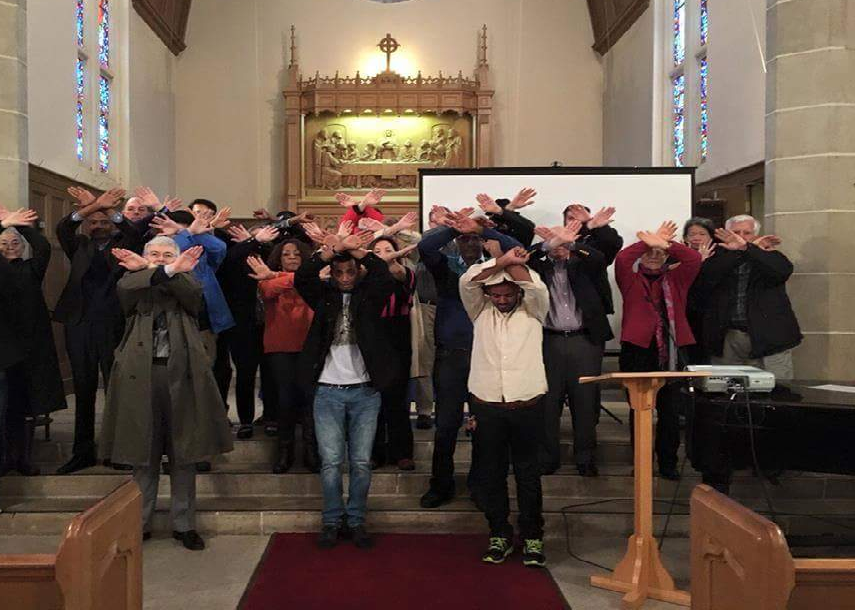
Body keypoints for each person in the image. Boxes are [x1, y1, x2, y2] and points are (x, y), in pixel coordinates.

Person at [100, 239, 233, 551]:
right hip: (141, 375)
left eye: (168, 255)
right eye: (154, 255)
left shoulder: (188, 279)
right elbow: (126, 294)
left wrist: (169, 270)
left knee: (183, 453)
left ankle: (184, 524)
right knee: (142, 454)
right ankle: (139, 523)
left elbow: (191, 297)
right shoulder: (130, 279)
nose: (160, 260)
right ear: (145, 256)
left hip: (180, 374)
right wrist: (154, 269)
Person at [294, 229, 397, 549]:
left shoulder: (370, 295)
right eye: (338, 273)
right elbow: (303, 276)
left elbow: (385, 276)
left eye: (349, 272)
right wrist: (334, 250)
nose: (344, 278)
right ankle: (331, 519)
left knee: (362, 461)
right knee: (331, 461)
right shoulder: (323, 296)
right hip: (327, 390)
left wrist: (359, 253)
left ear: (358, 272)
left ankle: (356, 520)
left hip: (365, 390)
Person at [417, 208, 522, 509]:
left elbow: (517, 249)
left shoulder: (497, 270)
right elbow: (425, 247)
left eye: (473, 239)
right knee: (447, 425)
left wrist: (481, 228)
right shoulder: (446, 267)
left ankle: (481, 485)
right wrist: (455, 228)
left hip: (487, 358)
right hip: (452, 356)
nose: (469, 243)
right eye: (464, 239)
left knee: (485, 426)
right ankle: (440, 485)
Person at [459, 246, 550, 567]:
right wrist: (501, 261)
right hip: (487, 407)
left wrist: (512, 264)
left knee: (528, 475)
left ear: (516, 292)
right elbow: (468, 282)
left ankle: (533, 538)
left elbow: (535, 286)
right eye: (495, 295)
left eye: (506, 294)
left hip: (527, 405)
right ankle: (499, 534)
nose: (501, 299)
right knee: (491, 475)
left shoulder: (535, 309)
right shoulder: (479, 312)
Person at [54, 186, 141, 474]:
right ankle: (82, 451)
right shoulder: (78, 245)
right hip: (79, 324)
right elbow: (64, 226)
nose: (99, 226)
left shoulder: (125, 244)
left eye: (104, 222)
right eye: (94, 222)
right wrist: (91, 207)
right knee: (83, 388)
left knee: (116, 389)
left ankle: (119, 450)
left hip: (113, 324)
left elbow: (132, 231)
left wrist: (110, 210)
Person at [614, 221, 701, 480]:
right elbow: (622, 257)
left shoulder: (677, 279)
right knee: (639, 410)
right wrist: (649, 242)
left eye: (659, 253)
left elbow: (694, 259)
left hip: (671, 351)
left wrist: (667, 244)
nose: (653, 256)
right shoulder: (630, 278)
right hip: (638, 350)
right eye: (649, 252)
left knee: (670, 412)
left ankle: (668, 464)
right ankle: (641, 463)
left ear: (667, 257)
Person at [530, 219, 613, 477]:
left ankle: (585, 458)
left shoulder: (585, 264)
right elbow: (526, 259)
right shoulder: (538, 266)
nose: (559, 246)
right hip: (548, 341)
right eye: (554, 242)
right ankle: (547, 458)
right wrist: (545, 247)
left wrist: (573, 243)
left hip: (584, 341)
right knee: (548, 403)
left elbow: (600, 258)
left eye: (563, 241)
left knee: (585, 403)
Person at [0, 209, 66, 476]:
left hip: (30, 345)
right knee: (5, 404)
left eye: (15, 243)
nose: (10, 248)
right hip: (4, 347)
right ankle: (4, 458)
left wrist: (22, 227)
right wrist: (3, 225)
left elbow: (42, 245)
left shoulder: (31, 268)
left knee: (26, 405)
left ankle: (23, 458)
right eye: (4, 244)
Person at [697, 215, 801, 379]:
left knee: (778, 390)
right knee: (726, 392)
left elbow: (782, 271)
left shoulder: (769, 255)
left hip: (769, 336)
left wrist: (749, 250)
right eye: (736, 232)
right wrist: (739, 251)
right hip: (728, 337)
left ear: (755, 236)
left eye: (747, 233)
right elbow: (707, 280)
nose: (740, 236)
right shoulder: (716, 257)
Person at [246, 240, 318, 473]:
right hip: (280, 346)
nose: (292, 257)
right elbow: (268, 291)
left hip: (310, 345)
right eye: (286, 254)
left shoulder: (314, 278)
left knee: (310, 400)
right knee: (285, 400)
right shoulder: (266, 278)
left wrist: (282, 275)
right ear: (279, 258)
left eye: (297, 254)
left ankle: (311, 451)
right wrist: (277, 275)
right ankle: (284, 452)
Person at [214, 223, 281, 439]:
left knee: (271, 373)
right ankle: (245, 421)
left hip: (272, 324)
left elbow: (276, 254)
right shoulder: (235, 261)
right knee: (245, 374)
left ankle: (271, 416)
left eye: (263, 240)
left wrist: (258, 245)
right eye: (255, 239)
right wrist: (249, 243)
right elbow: (231, 258)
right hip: (244, 326)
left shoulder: (272, 259)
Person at [368, 236, 417, 471]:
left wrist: (390, 261)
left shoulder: (404, 272)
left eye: (388, 249)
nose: (383, 253)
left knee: (396, 399)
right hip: (373, 337)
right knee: (373, 398)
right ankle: (375, 452)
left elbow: (398, 274)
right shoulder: (365, 276)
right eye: (377, 250)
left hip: (398, 337)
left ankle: (402, 452)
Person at [682, 217, 718, 364]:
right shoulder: (677, 256)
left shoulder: (720, 256)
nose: (696, 238)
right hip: (685, 315)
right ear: (685, 237)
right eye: (692, 234)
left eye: (702, 234)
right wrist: (697, 261)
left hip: (711, 317)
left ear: (711, 237)